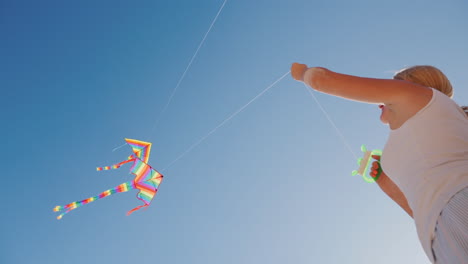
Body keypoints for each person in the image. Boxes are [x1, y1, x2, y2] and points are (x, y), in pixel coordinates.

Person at [291, 63, 468, 263]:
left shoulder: (423, 96)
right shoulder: (423, 122)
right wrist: (383, 179)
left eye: (392, 86)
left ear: (409, 85)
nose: (380, 101)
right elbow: (419, 209)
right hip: (438, 236)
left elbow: (321, 79)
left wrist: (301, 73)